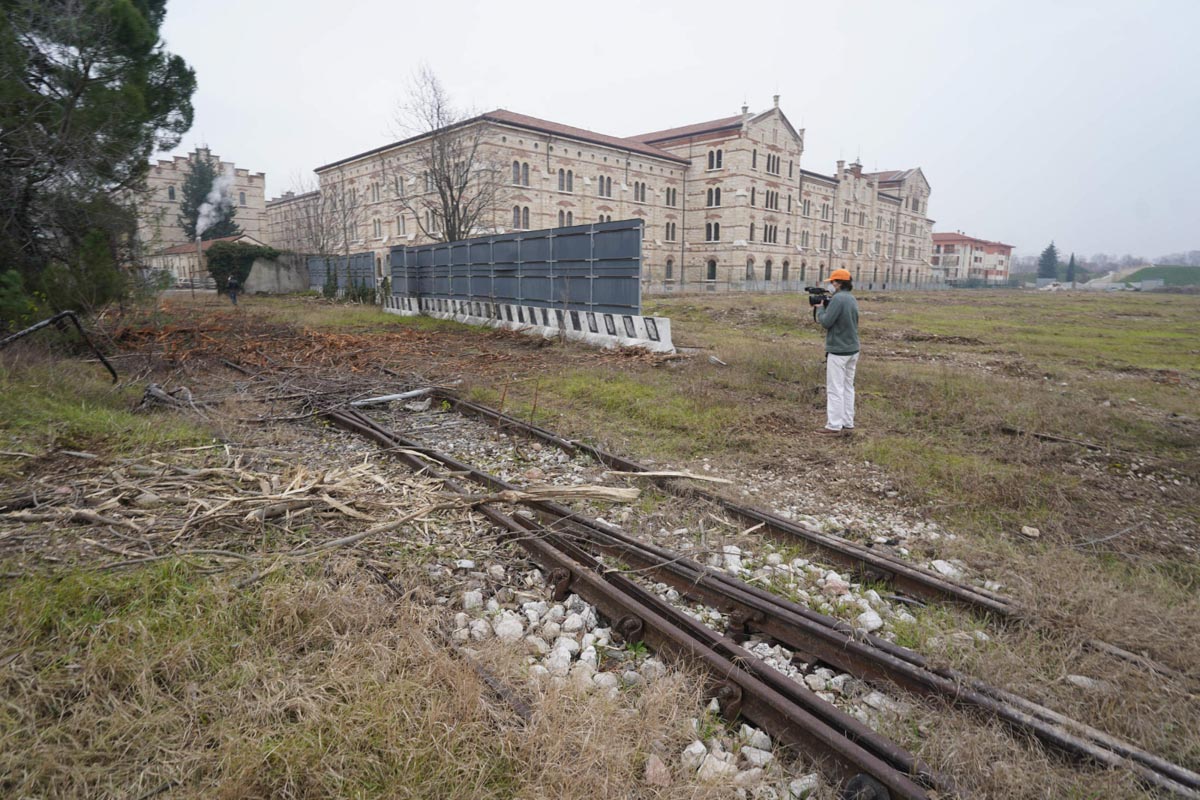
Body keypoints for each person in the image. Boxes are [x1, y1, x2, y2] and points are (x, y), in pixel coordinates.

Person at [815, 268, 859, 435]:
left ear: (839, 283)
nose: (831, 285)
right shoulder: (851, 298)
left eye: (833, 282)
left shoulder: (838, 299)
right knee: (848, 387)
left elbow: (826, 322)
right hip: (853, 348)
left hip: (839, 350)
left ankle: (833, 425)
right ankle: (848, 422)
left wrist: (820, 309)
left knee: (835, 388)